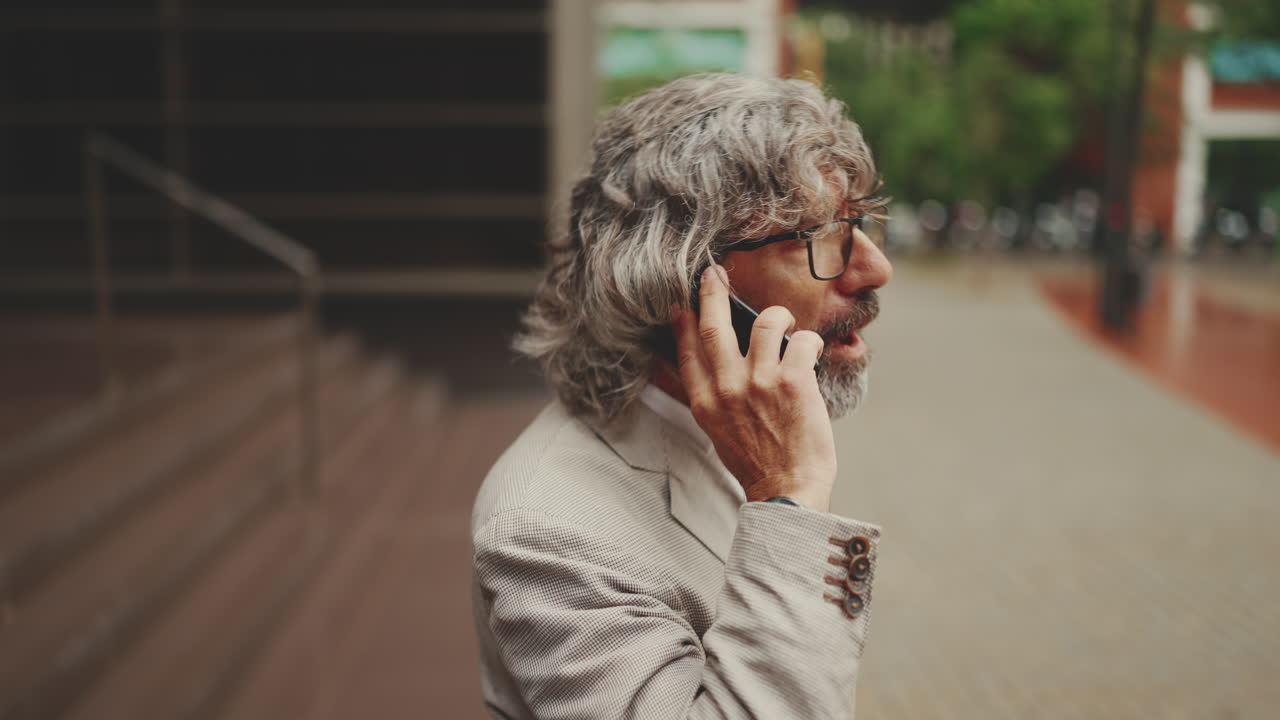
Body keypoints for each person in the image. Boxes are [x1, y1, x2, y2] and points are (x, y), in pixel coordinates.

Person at [470, 73, 893, 719]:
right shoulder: (551, 533)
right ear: (683, 285)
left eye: (856, 223)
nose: (872, 268)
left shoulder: (735, 422)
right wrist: (789, 498)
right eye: (817, 237)